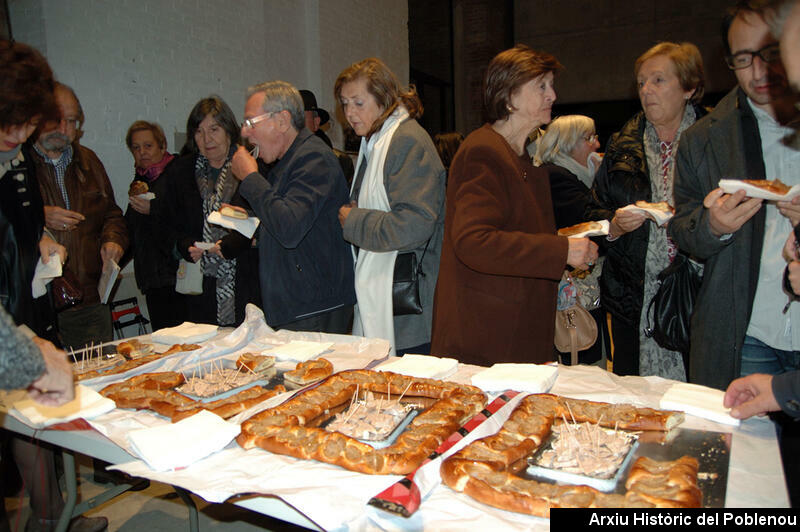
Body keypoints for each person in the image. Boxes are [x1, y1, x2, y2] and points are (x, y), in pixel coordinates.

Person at [430, 45, 598, 367]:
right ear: (509, 97)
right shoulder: (483, 152)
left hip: (512, 332)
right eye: (541, 86)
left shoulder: (520, 157)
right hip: (487, 339)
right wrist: (560, 251)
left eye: (551, 85)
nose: (552, 95)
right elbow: (473, 241)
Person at [1, 40, 106, 532]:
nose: (22, 136)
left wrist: (39, 236)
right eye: (16, 123)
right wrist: (26, 351)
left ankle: (49, 517)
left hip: (24, 302)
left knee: (30, 417)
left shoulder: (14, 156)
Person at [669, 1, 800, 390]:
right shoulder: (704, 138)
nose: (759, 72)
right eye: (743, 60)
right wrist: (712, 226)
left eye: (771, 55)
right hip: (746, 328)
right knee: (741, 448)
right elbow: (683, 226)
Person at [586, 42, 706, 380]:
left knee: (700, 397)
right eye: (641, 82)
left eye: (658, 80)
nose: (646, 90)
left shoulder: (714, 140)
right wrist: (615, 226)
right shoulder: (623, 143)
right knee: (637, 400)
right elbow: (593, 213)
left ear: (689, 88)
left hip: (699, 295)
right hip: (633, 299)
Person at [335, 58, 445, 355]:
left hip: (408, 307)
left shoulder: (405, 141)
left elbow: (416, 224)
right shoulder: (375, 141)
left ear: (384, 98)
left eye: (358, 102)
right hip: (388, 297)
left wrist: (355, 221)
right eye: (345, 104)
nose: (349, 113)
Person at [231, 81, 355, 332]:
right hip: (301, 305)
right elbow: (290, 217)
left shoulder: (313, 158)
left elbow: (290, 228)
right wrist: (253, 218)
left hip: (314, 309)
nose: (245, 133)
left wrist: (251, 179)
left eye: (250, 123)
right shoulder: (290, 160)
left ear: (282, 120)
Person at [28, 82, 128, 351]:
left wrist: (113, 241)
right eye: (55, 119)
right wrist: (38, 216)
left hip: (88, 301)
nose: (63, 129)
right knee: (45, 389)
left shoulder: (89, 161)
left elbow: (112, 215)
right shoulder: (17, 164)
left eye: (70, 121)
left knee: (100, 382)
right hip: (37, 306)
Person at [157, 96, 252, 326]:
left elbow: (259, 219)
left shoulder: (249, 166)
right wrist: (184, 244)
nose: (207, 139)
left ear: (229, 130)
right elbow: (164, 224)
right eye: (199, 132)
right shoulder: (180, 171)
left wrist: (234, 242)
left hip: (244, 279)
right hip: (198, 285)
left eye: (214, 129)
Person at [536, 115, 607, 365]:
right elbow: (596, 226)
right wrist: (603, 182)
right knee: (584, 364)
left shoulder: (570, 177)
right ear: (566, 145)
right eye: (589, 138)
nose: (596, 145)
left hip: (579, 292)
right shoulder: (558, 178)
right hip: (573, 295)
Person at [123, 120, 183, 331]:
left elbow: (188, 220)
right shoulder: (139, 183)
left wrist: (154, 209)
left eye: (148, 146)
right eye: (136, 148)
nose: (142, 152)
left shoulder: (179, 174)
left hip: (177, 276)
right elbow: (132, 230)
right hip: (152, 278)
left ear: (162, 146)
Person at [301, 88, 355, 184]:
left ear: (316, 122)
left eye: (301, 117)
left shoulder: (341, 163)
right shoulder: (276, 161)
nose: (294, 124)